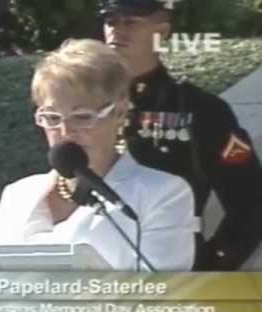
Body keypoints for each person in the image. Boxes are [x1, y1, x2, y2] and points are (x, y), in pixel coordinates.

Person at [0, 38, 196, 271]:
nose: (66, 132)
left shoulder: (162, 193)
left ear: (119, 113)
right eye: (52, 118)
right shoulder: (17, 195)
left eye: (82, 117)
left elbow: (165, 293)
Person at [96, 0, 262, 271]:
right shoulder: (84, 104)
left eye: (131, 22)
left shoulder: (199, 109)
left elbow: (251, 204)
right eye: (111, 21)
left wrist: (212, 271)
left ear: (161, 31)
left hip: (178, 263)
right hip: (96, 264)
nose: (117, 31)